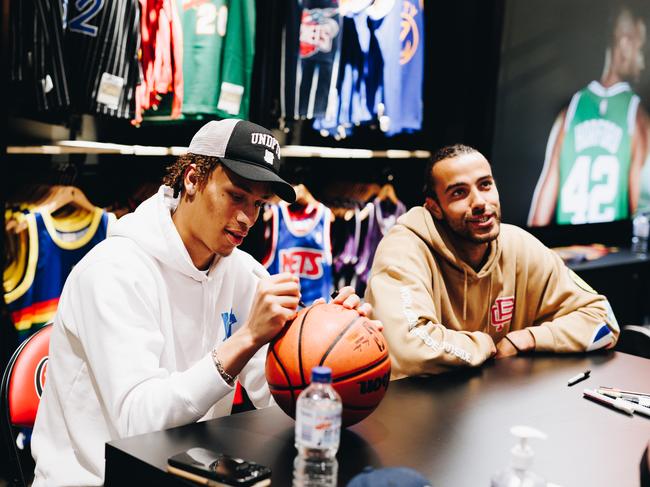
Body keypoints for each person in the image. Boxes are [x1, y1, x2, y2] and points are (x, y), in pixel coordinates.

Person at [31, 118, 371, 486]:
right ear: (192, 178)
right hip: (98, 479)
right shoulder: (112, 271)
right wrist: (245, 339)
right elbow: (135, 425)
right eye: (236, 196)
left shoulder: (245, 275)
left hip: (194, 474)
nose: (247, 218)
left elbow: (279, 401)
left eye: (258, 203)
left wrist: (338, 345)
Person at [365, 144, 620, 379]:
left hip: (499, 403)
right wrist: (485, 345)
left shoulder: (520, 245)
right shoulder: (404, 248)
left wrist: (529, 338)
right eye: (459, 193)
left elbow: (603, 321)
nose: (479, 202)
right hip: (417, 413)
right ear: (435, 208)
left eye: (485, 185)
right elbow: (410, 349)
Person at [528, 6, 649, 226]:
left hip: (566, 255)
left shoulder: (569, 112)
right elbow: (640, 217)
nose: (643, 63)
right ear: (624, 41)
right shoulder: (637, 115)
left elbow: (537, 220)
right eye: (642, 49)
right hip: (611, 256)